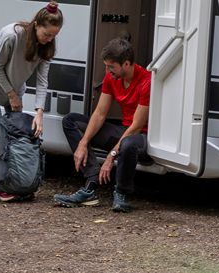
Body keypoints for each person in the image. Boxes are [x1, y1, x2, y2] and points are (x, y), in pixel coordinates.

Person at [0, 1, 63, 201]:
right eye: (47, 34)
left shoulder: (46, 48)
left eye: (54, 36)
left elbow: (42, 81)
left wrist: (39, 111)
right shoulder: (11, 36)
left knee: (17, 129)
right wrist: (11, 96)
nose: (49, 40)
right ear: (36, 25)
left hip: (14, 83)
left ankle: (11, 177)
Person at [54, 37, 150, 213]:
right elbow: (99, 113)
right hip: (123, 130)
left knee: (128, 144)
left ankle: (121, 194)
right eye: (106, 66)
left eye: (111, 67)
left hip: (142, 137)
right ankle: (91, 185)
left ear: (126, 64)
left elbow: (136, 126)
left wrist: (111, 155)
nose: (107, 71)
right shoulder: (111, 77)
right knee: (71, 120)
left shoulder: (146, 81)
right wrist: (83, 143)